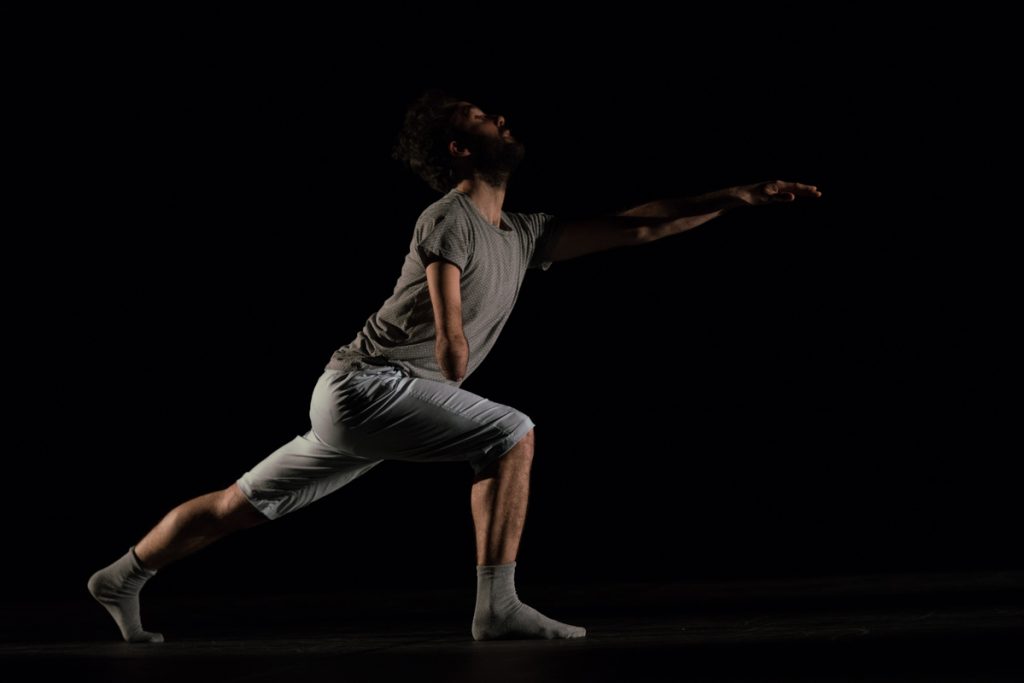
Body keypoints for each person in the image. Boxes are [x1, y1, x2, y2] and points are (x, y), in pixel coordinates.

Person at [87, 89, 822, 643]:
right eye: (480, 117)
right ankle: (496, 606)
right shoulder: (448, 215)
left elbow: (639, 226)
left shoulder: (522, 233)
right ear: (459, 149)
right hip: (369, 386)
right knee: (512, 433)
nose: (499, 118)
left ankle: (122, 575)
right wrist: (452, 347)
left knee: (237, 505)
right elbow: (444, 288)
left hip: (359, 400)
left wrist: (736, 197)